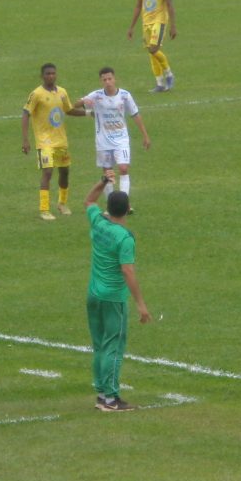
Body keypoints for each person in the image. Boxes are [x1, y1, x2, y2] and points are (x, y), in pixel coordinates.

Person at [84, 172, 151, 411]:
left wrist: (103, 182)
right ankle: (111, 400)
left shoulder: (98, 222)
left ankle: (102, 393)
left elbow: (89, 202)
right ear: (127, 210)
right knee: (114, 345)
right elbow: (128, 271)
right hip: (113, 298)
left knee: (100, 345)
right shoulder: (124, 238)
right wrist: (141, 304)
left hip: (93, 294)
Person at [73, 67, 151, 208]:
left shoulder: (125, 96)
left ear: (115, 79)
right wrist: (85, 103)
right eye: (105, 80)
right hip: (103, 142)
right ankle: (111, 205)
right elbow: (74, 105)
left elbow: (135, 115)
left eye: (110, 79)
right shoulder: (96, 96)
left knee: (123, 168)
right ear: (101, 81)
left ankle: (124, 203)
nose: (108, 82)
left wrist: (145, 136)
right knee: (108, 173)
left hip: (121, 139)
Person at [21, 63, 86, 221]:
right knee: (48, 172)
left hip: (61, 141)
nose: (51, 76)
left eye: (53, 73)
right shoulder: (36, 94)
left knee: (65, 172)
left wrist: (89, 113)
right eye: (48, 74)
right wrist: (25, 139)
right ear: (42, 76)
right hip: (44, 142)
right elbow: (25, 113)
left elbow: (69, 110)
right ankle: (44, 209)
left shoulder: (62, 92)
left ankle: (62, 203)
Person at [128, 0, 177, 93]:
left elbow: (170, 4)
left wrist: (173, 26)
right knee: (151, 53)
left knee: (153, 49)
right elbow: (138, 6)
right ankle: (160, 83)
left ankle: (168, 74)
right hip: (146, 22)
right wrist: (131, 27)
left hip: (159, 20)